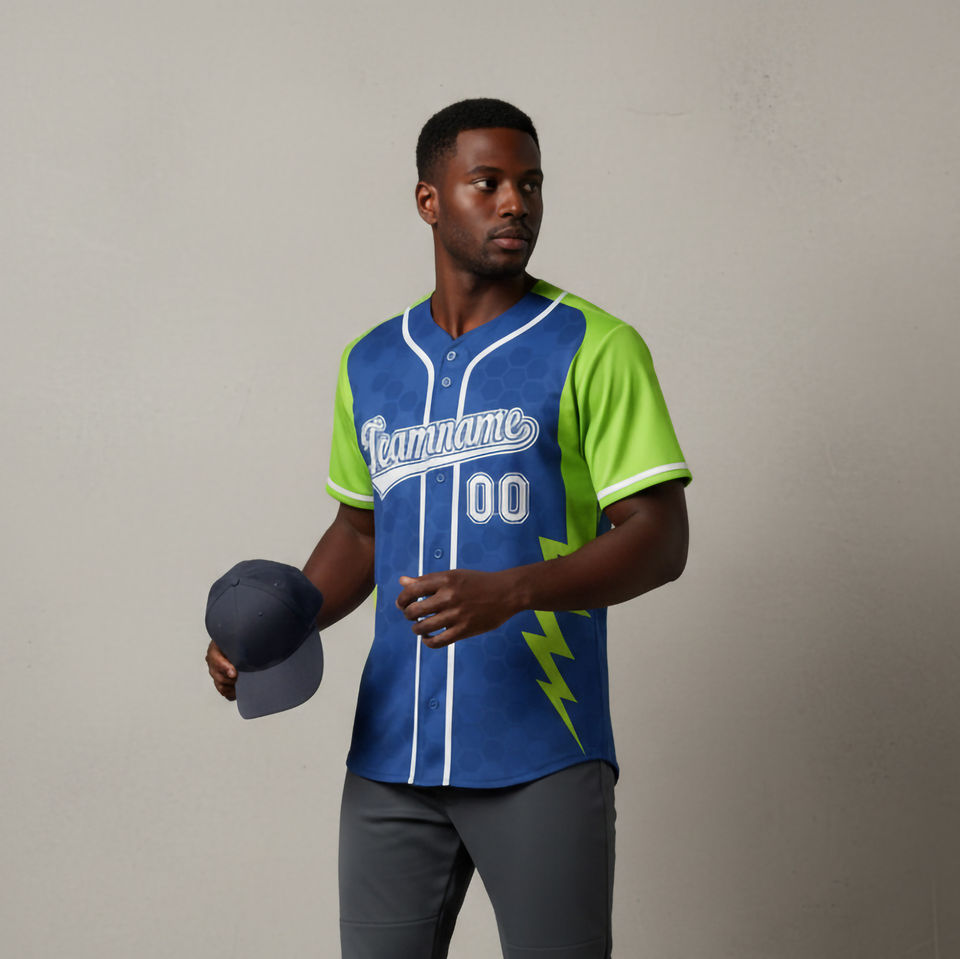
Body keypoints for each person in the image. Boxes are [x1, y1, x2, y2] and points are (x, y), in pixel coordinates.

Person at [206, 97, 691, 959]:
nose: (516, 203)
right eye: (488, 183)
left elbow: (661, 537)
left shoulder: (595, 345)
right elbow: (361, 533)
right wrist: (278, 628)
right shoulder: (372, 361)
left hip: (540, 745)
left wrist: (516, 590)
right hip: (390, 756)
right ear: (430, 200)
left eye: (530, 184)